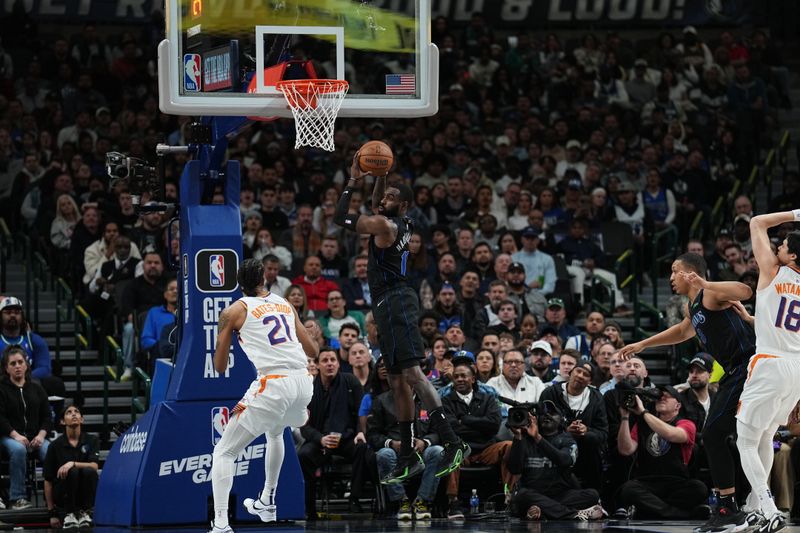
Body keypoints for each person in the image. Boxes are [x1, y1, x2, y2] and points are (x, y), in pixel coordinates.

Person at [334, 155, 466, 485]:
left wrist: (353, 180)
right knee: (395, 381)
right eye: (386, 196)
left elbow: (340, 217)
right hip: (386, 304)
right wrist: (380, 175)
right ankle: (407, 455)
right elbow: (379, 202)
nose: (384, 200)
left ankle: (452, 442)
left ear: (404, 205)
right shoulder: (398, 222)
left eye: (393, 197)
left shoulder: (385, 224)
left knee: (413, 373)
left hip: (397, 302)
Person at [619, 252, 755, 533]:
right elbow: (683, 331)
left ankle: (729, 508)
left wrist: (706, 283)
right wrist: (644, 344)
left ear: (690, 273)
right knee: (725, 436)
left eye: (674, 271)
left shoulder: (709, 295)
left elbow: (746, 290)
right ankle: (739, 505)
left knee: (716, 434)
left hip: (748, 366)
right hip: (734, 372)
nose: (670, 277)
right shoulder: (693, 307)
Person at [208, 259, 319, 533]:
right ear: (264, 281)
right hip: (304, 383)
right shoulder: (284, 303)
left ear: (238, 284)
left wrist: (229, 335)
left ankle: (221, 524)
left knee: (224, 452)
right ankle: (267, 500)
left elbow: (220, 367)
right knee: (276, 431)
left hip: (274, 384)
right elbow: (313, 351)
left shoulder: (233, 311)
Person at [734, 211, 800, 532]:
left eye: (783, 245)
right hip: (796, 368)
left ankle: (769, 506)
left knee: (745, 441)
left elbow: (757, 221)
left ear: (793, 255)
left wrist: (797, 214)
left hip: (770, 363)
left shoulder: (773, 271)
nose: (777, 249)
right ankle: (756, 506)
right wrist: (755, 320)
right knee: (765, 435)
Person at [616, 385, 707, 519]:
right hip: (647, 482)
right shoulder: (643, 422)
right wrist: (624, 418)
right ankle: (680, 514)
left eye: (667, 396)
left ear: (678, 405)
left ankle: (648, 510)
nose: (661, 398)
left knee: (699, 489)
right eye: (659, 396)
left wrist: (643, 412)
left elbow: (671, 434)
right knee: (628, 490)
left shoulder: (686, 423)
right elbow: (625, 450)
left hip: (675, 482)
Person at [506, 400, 604, 521]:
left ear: (562, 419)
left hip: (560, 495)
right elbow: (514, 469)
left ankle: (543, 511)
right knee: (522, 495)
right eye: (543, 413)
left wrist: (538, 438)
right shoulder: (524, 439)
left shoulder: (567, 440)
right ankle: (573, 514)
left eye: (552, 413)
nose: (547, 415)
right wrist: (517, 437)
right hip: (533, 494)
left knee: (592, 495)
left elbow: (565, 461)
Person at [0, 345, 52, 510]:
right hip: (8, 437)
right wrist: (16, 436)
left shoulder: (36, 387)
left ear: (26, 364)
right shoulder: (1, 389)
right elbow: (0, 418)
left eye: (20, 362)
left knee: (50, 450)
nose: (17, 366)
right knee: (19, 450)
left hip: (36, 436)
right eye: (13, 363)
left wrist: (41, 435)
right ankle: (17, 498)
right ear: (6, 368)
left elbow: (47, 416)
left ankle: (55, 496)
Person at [44, 405, 100, 529]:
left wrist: (72, 463)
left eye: (77, 412)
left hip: (84, 493)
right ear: (62, 421)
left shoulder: (92, 440)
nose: (74, 414)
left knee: (88, 471)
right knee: (72, 472)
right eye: (69, 412)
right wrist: (52, 513)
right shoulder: (54, 446)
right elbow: (48, 481)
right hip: (63, 494)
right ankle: (70, 513)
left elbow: (94, 466)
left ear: (82, 419)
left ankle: (85, 512)